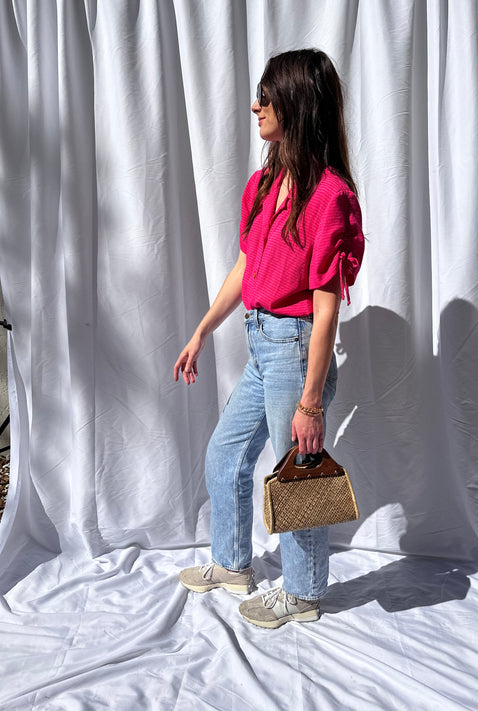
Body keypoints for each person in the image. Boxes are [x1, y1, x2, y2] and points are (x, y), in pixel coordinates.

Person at [174, 49, 364, 629]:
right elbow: (246, 266)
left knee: (296, 469)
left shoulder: (330, 195)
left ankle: (303, 593)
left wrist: (311, 400)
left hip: (296, 345)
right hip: (262, 344)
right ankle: (233, 563)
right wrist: (203, 329)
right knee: (225, 453)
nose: (255, 105)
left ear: (299, 105)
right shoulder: (262, 184)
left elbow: (326, 303)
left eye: (267, 95)